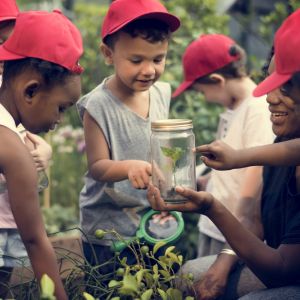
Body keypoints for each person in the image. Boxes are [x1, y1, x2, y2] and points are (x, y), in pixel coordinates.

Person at [147, 9, 300, 300]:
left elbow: (281, 270)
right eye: (270, 83)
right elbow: (255, 220)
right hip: (275, 262)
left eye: (286, 85)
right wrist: (223, 261)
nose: (268, 96)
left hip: (284, 271)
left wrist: (212, 206)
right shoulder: (281, 141)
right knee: (192, 273)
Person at [77, 0, 180, 271]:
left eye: (158, 59)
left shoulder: (161, 93)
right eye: (136, 60)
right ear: (108, 54)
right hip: (108, 232)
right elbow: (98, 167)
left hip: (152, 221)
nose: (149, 70)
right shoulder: (97, 106)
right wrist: (129, 166)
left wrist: (169, 192)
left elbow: (163, 152)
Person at [0, 9, 83, 299]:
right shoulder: (13, 149)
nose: (60, 120)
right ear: (31, 91)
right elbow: (35, 241)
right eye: (62, 108)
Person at [172, 33, 274, 257]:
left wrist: (237, 232)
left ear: (218, 80)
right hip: (214, 225)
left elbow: (255, 173)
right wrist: (202, 182)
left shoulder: (257, 110)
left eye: (202, 91)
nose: (205, 98)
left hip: (234, 232)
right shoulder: (233, 110)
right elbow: (230, 171)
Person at [0, 2, 53, 297]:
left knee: (5, 281)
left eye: (10, 44)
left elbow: (27, 135)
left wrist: (45, 152)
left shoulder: (16, 89)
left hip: (11, 215)